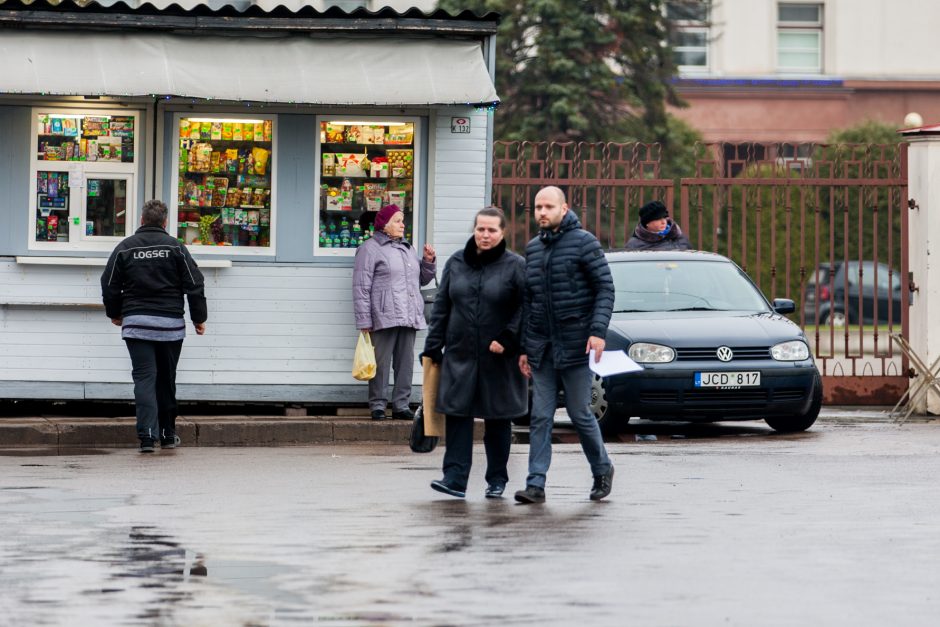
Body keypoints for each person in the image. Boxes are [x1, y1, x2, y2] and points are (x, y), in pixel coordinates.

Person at [516, 186, 615, 504]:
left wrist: (597, 331)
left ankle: (602, 468)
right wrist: (524, 348)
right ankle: (535, 484)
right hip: (543, 349)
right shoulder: (533, 249)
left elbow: (605, 289)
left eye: (548, 206)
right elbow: (528, 303)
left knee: (579, 413)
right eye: (537, 207)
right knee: (541, 415)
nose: (542, 212)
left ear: (564, 208)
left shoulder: (585, 243)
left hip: (576, 346)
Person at [422, 207, 527, 499]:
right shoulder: (456, 262)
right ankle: (454, 478)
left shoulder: (515, 266)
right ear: (474, 230)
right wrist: (433, 345)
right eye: (481, 229)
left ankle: (496, 480)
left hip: (498, 357)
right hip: (460, 353)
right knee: (457, 414)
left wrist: (508, 338)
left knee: (497, 418)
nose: (485, 235)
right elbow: (443, 306)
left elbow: (526, 307)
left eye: (492, 230)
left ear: (502, 233)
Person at [101, 199, 207, 453]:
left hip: (137, 324)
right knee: (166, 379)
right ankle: (168, 434)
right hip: (170, 325)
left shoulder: (125, 248)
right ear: (165, 222)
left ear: (141, 220)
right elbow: (195, 283)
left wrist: (115, 314)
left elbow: (109, 283)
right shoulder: (176, 247)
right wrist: (198, 318)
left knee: (145, 378)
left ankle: (147, 437)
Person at [353, 204, 436, 421]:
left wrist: (427, 262)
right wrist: (364, 319)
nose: (403, 225)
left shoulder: (408, 248)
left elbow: (420, 280)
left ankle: (401, 405)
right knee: (380, 363)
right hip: (383, 315)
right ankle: (378, 406)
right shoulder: (369, 249)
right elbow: (361, 286)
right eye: (398, 221)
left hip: (408, 314)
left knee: (405, 363)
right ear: (385, 224)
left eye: (403, 220)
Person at [625, 200, 691, 250]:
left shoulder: (679, 238)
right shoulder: (634, 245)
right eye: (658, 219)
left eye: (664, 218)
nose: (663, 222)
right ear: (647, 223)